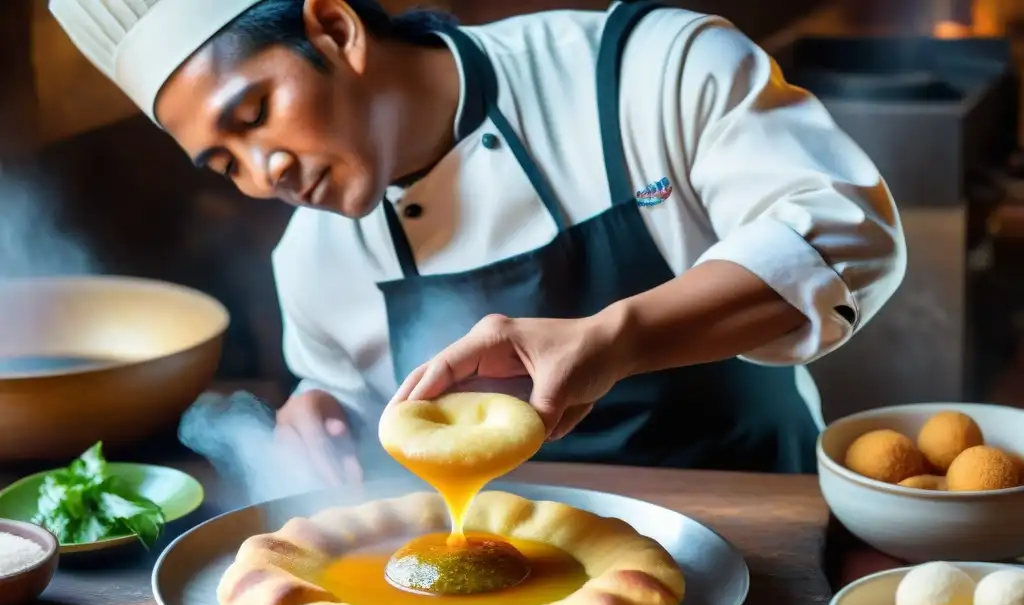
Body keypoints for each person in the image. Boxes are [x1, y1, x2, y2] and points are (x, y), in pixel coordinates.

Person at [52, 0, 906, 483]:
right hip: (521, 575)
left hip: (766, 536)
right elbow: (352, 407)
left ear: (335, 28)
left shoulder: (645, 70)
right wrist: (320, 416)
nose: (261, 171)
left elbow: (844, 230)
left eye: (253, 116)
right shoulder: (310, 259)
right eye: (221, 161)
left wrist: (614, 340)